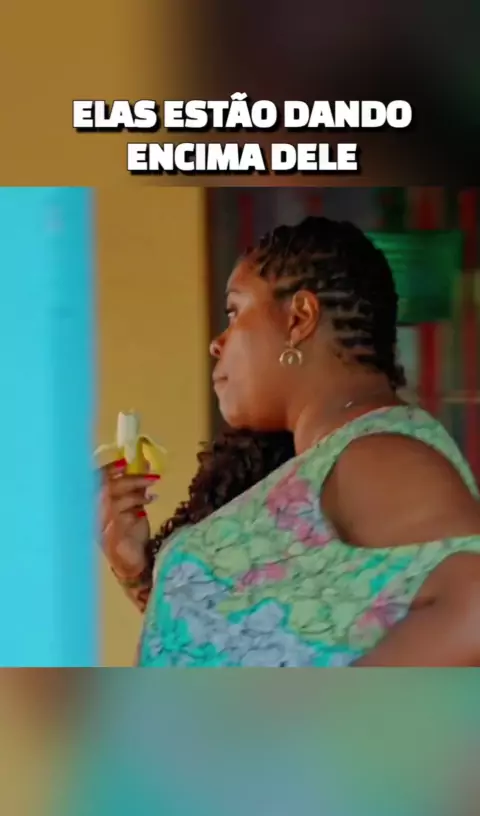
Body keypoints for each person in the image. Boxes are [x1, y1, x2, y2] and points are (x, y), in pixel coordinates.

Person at [100, 216, 480, 667]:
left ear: (299, 318)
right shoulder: (322, 463)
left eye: (235, 312)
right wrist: (136, 571)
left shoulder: (379, 454)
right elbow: (244, 643)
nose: (217, 344)